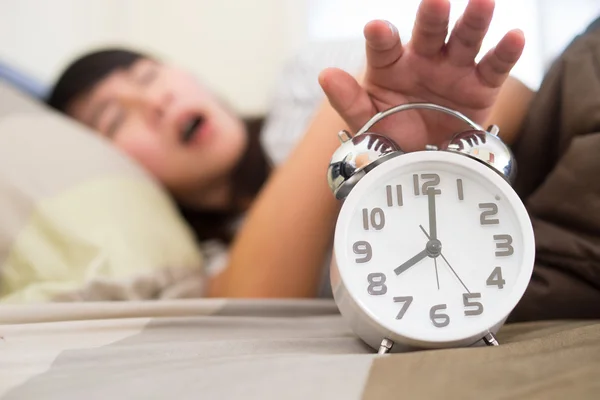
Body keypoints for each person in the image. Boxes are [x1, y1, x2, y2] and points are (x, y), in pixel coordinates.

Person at [47, 0, 527, 299]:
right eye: (113, 118)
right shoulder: (208, 262)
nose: (155, 100)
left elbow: (517, 95)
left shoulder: (305, 81)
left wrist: (429, 127)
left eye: (150, 75)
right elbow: (253, 303)